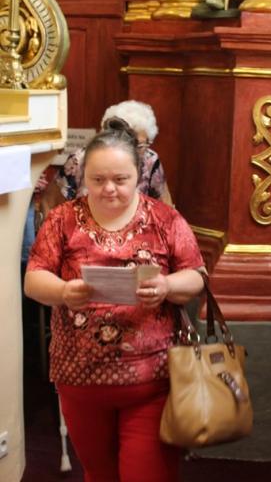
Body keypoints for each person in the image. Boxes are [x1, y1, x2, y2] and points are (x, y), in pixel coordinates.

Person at [24, 117, 205, 482]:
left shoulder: (164, 219)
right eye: (97, 180)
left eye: (120, 179)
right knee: (98, 473)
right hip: (79, 377)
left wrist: (166, 286)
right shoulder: (62, 219)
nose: (109, 189)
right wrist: (63, 292)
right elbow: (33, 279)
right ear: (82, 177)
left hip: (151, 379)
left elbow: (197, 276)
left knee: (147, 474)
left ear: (138, 176)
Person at [41, 100, 173, 214]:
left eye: (140, 145)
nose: (133, 152)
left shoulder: (150, 160)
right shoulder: (81, 159)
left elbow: (165, 209)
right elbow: (51, 205)